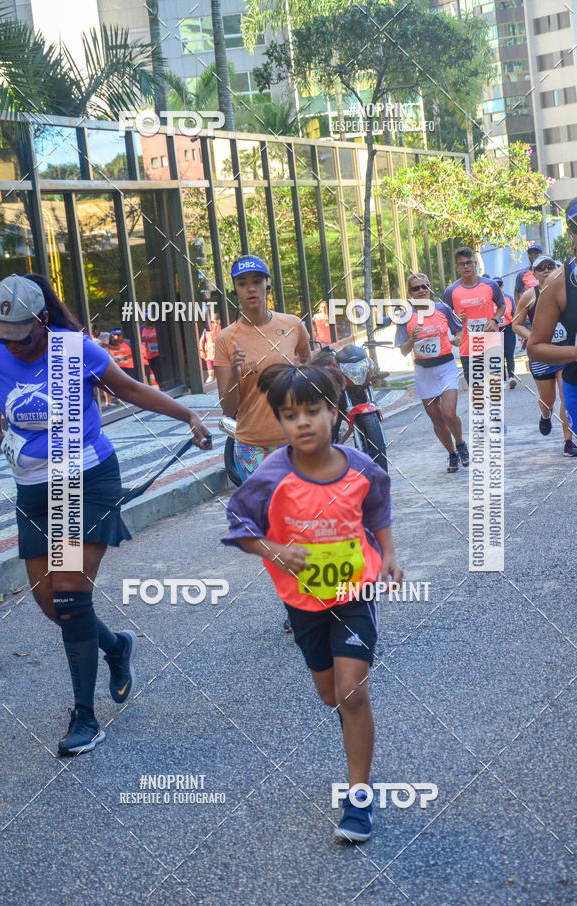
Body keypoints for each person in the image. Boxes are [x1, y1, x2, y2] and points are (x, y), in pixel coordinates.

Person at [0, 273, 211, 756]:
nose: (14, 348)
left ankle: (85, 717)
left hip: (85, 477)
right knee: (50, 603)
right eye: (5, 337)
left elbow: (130, 390)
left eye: (22, 337)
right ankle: (115, 647)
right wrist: (2, 438)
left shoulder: (74, 350)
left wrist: (188, 416)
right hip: (32, 490)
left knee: (68, 594)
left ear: (42, 322)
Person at [221, 361, 403, 843]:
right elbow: (240, 526)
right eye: (289, 414)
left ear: (333, 412)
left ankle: (358, 796)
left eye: (311, 410)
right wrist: (275, 550)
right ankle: (354, 756)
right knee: (330, 695)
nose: (302, 422)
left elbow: (378, 509)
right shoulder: (270, 475)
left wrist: (388, 555)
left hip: (356, 592)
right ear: (280, 423)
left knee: (352, 692)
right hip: (303, 601)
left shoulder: (360, 467)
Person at [214, 255, 311, 482]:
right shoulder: (226, 339)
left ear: (267, 285)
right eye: (243, 283)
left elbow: (310, 366)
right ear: (235, 289)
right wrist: (236, 373)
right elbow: (228, 408)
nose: (251, 289)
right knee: (269, 512)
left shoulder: (292, 325)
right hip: (252, 447)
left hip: (296, 440)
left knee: (300, 511)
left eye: (257, 281)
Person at [396, 273, 468, 473]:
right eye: (416, 288)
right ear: (409, 293)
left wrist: (457, 339)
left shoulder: (442, 309)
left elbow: (459, 329)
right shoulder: (405, 316)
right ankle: (452, 454)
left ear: (430, 288)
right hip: (423, 371)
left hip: (446, 367)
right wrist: (411, 339)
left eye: (424, 286)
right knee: (436, 418)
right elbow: (402, 350)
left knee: (448, 413)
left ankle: (461, 443)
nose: (421, 291)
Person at [521, 242, 577, 457]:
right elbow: (516, 324)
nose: (545, 270)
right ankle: (545, 416)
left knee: (566, 396)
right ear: (533, 273)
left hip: (565, 351)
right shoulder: (530, 296)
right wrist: (533, 337)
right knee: (548, 400)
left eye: (549, 266)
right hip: (543, 356)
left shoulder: (567, 286)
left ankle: (567, 440)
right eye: (540, 268)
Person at [443, 246, 506, 389]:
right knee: (478, 393)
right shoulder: (451, 291)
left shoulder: (490, 285)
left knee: (494, 391)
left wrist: (494, 320)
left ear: (475, 264)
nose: (466, 266)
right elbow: (445, 317)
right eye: (462, 264)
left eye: (469, 262)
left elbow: (502, 305)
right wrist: (455, 320)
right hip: (468, 349)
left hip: (491, 344)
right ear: (457, 267)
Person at [494, 277, 517, 389]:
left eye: (500, 285)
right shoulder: (489, 300)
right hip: (496, 330)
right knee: (499, 355)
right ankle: (502, 379)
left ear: (502, 286)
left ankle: (511, 377)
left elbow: (514, 313)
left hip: (508, 328)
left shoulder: (509, 298)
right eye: (496, 286)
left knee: (509, 353)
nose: (498, 288)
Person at [140, 313, 162, 388]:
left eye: (150, 318)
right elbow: (140, 341)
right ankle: (158, 387)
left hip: (160, 354)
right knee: (153, 372)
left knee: (161, 371)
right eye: (147, 318)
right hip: (149, 355)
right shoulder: (141, 329)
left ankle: (163, 386)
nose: (148, 320)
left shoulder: (158, 327)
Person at [199, 312, 222, 383]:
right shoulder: (207, 330)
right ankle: (211, 377)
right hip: (209, 353)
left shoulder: (222, 329)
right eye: (213, 323)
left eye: (217, 323)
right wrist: (201, 350)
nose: (215, 325)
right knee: (210, 371)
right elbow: (201, 341)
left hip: (220, 354)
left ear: (220, 321)